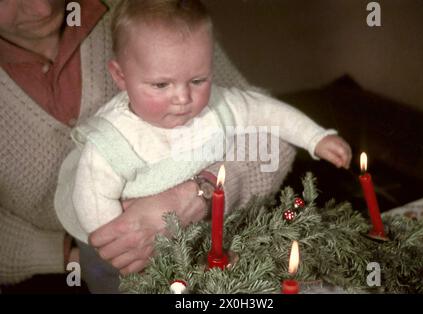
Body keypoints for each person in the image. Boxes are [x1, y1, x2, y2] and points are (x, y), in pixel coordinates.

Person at [0, 0, 299, 292]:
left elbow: (273, 132)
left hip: (220, 249)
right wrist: (76, 253)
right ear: (119, 74)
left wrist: (198, 195)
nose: (42, 7)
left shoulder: (147, 13)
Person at [54, 0, 352, 292]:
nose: (183, 98)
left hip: (195, 234)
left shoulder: (217, 106)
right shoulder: (112, 140)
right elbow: (92, 201)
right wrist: (129, 253)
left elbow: (266, 111)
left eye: (198, 80)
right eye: (161, 85)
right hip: (121, 257)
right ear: (121, 76)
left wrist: (316, 137)